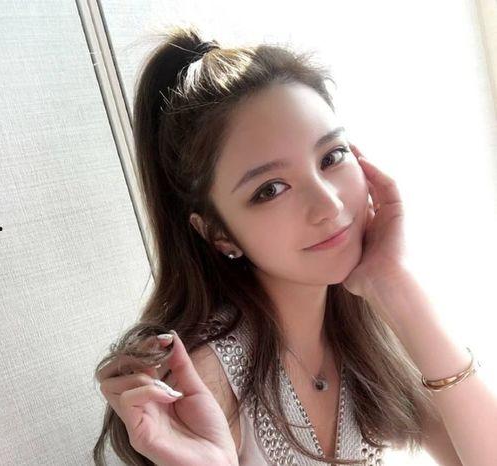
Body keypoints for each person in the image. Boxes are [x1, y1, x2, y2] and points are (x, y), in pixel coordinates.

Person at [92, 24, 455, 466]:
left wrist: (396, 284)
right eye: (270, 189)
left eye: (331, 156)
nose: (329, 204)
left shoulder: (367, 325)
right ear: (218, 232)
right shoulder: (204, 379)